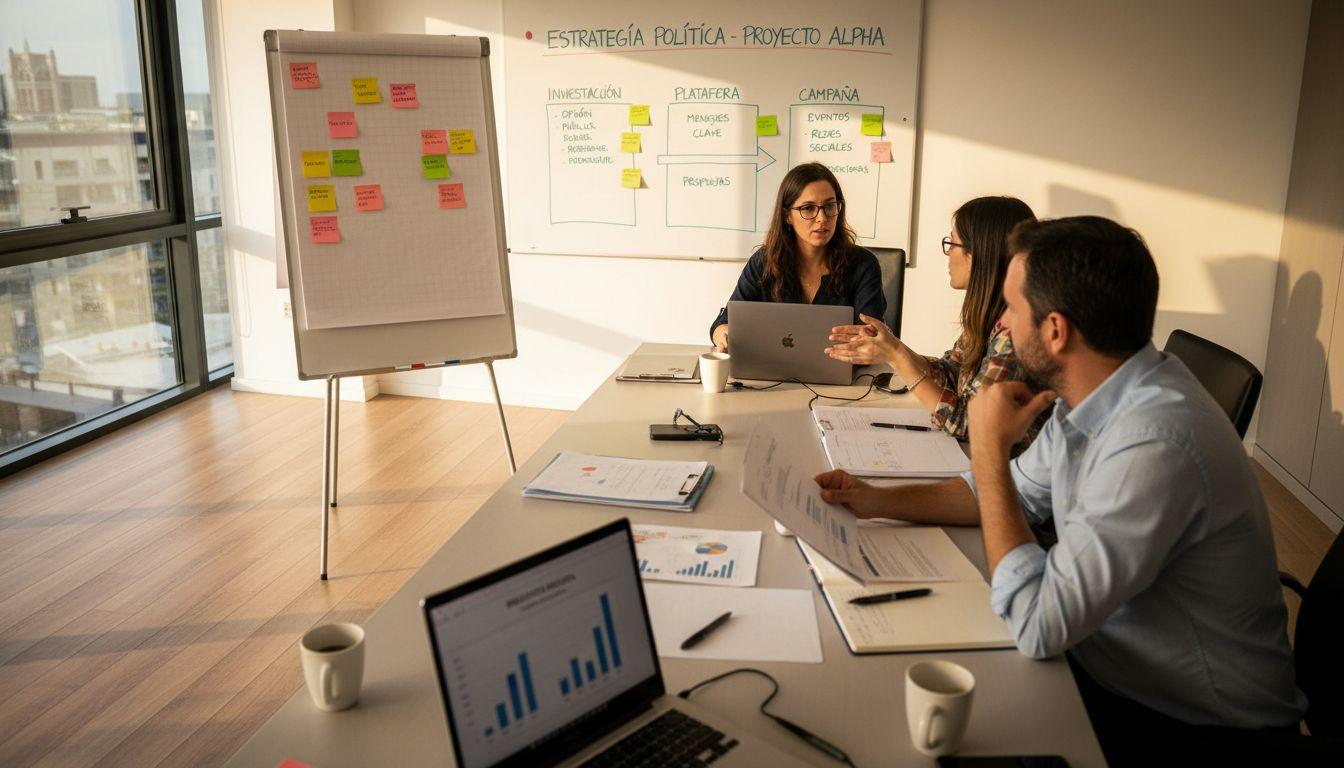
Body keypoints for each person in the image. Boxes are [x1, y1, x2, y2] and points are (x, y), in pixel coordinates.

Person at [815, 216, 1305, 766]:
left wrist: (988, 448)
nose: (1000, 320)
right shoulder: (1097, 392)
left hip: (1196, 728)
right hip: (1112, 664)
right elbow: (1012, 497)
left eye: (1011, 307)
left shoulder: (1154, 443)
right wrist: (874, 499)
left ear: (1055, 330)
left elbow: (1037, 623)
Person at [825, 196, 1038, 441]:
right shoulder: (990, 314)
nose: (948, 254)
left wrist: (897, 357)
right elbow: (951, 370)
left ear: (977, 253)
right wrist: (893, 346)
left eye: (953, 244)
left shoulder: (1016, 330)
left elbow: (968, 425)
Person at [709, 163, 885, 351]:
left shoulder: (863, 265)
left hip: (845, 375)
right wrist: (724, 334)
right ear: (787, 216)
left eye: (829, 206)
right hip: (771, 374)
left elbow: (874, 337)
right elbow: (723, 324)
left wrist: (866, 339)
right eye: (808, 208)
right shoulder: (764, 262)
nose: (822, 218)